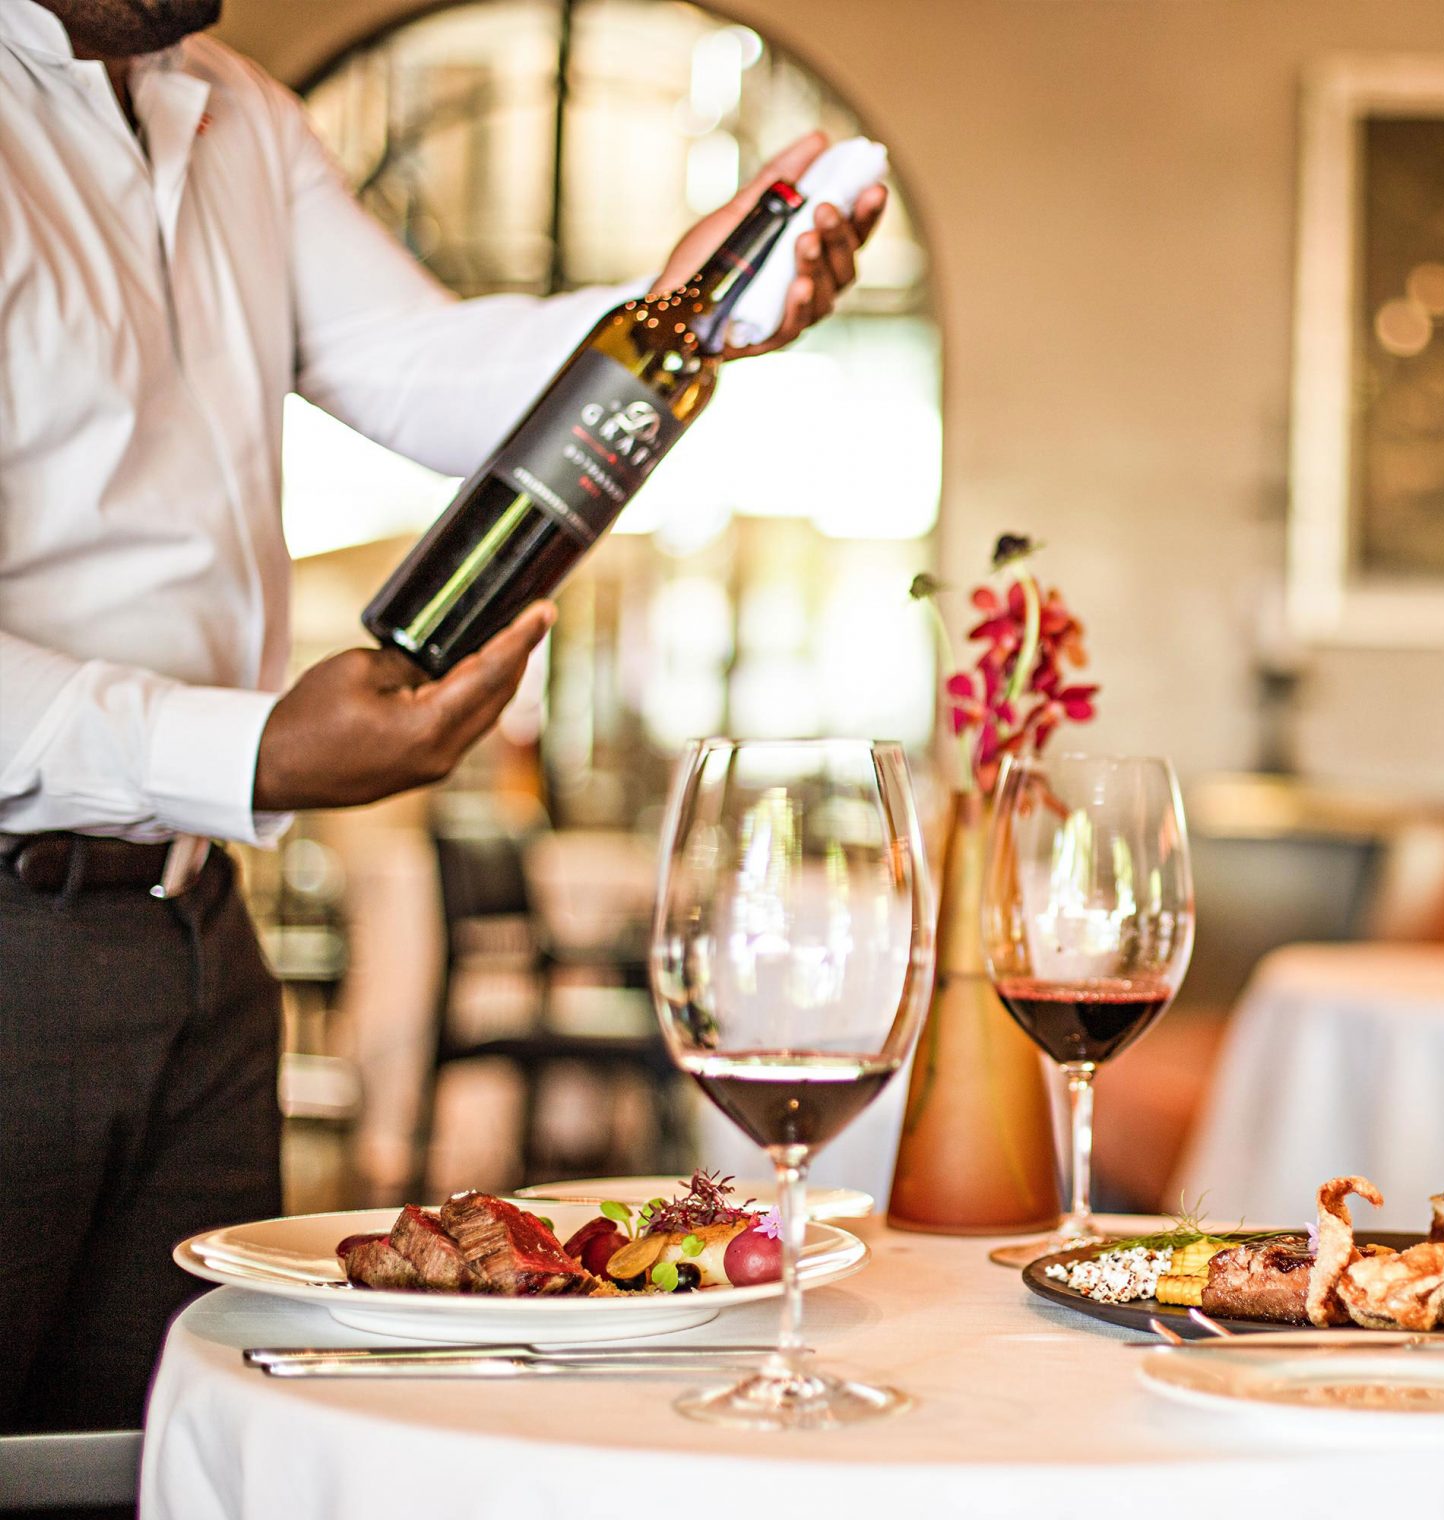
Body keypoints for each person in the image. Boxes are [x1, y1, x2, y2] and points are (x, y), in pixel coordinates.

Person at [0, 0, 884, 1437]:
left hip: (197, 945)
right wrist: (254, 752)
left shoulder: (226, 106)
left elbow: (422, 366)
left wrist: (695, 309)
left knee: (165, 1454)